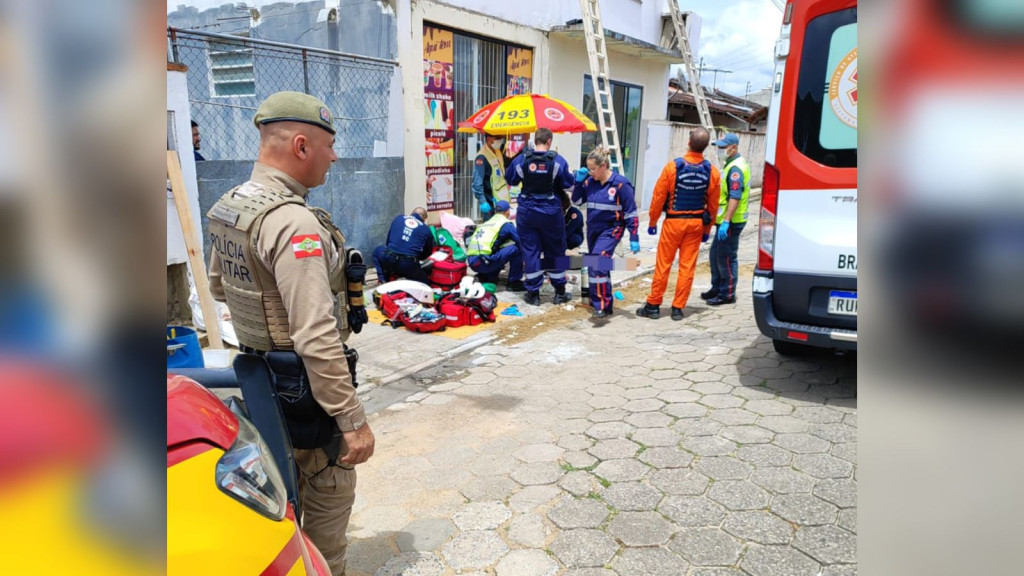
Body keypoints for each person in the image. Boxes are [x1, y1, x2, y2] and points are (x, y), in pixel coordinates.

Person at [206, 91, 374, 576]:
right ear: (301, 146)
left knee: (277, 495)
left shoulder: (232, 207)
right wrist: (352, 420)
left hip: (259, 378)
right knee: (327, 500)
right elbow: (316, 334)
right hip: (306, 392)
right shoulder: (292, 222)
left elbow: (219, 287)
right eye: (329, 145)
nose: (335, 156)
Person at [637, 127, 720, 321]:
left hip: (673, 223)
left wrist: (652, 220)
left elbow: (658, 197)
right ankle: (677, 308)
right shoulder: (712, 172)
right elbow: (713, 206)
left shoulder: (673, 167)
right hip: (696, 225)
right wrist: (707, 229)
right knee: (687, 267)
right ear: (706, 147)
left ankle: (654, 305)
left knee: (663, 264)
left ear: (689, 143)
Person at [505, 128, 574, 306]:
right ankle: (559, 292)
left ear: (535, 141)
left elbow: (511, 179)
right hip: (551, 212)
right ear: (549, 141)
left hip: (527, 213)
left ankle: (533, 294)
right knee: (556, 250)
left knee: (530, 251)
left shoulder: (522, 160)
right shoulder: (557, 161)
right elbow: (568, 183)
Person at [571, 147, 640, 318]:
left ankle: (600, 304)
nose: (591, 172)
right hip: (593, 230)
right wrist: (578, 182)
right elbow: (577, 201)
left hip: (612, 229)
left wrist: (634, 236)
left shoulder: (621, 185)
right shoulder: (590, 183)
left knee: (597, 263)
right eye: (588, 169)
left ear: (604, 166)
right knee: (600, 266)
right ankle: (607, 303)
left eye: (593, 169)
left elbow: (631, 212)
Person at [703, 133, 751, 305]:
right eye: (719, 146)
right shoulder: (730, 164)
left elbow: (735, 196)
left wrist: (726, 221)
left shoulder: (735, 169)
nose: (720, 150)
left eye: (723, 147)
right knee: (715, 254)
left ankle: (727, 294)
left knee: (726, 258)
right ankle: (716, 288)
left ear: (733, 148)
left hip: (732, 222)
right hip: (724, 221)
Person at [465, 200, 525, 290]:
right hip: (484, 263)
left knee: (497, 249)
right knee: (517, 249)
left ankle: (485, 276)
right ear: (507, 212)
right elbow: (520, 241)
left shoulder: (486, 223)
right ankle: (514, 282)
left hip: (473, 263)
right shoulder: (505, 223)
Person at [372, 207, 434, 284]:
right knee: (425, 283)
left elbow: (388, 241)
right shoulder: (426, 229)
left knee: (377, 251)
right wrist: (418, 258)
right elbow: (427, 252)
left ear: (411, 214)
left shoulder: (398, 218)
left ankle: (383, 280)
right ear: (424, 219)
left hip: (389, 259)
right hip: (408, 265)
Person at [472, 134, 509, 221]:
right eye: (497, 138)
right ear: (489, 139)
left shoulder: (498, 152)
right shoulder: (481, 157)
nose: (500, 141)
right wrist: (482, 201)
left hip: (501, 202)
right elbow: (477, 182)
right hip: (489, 203)